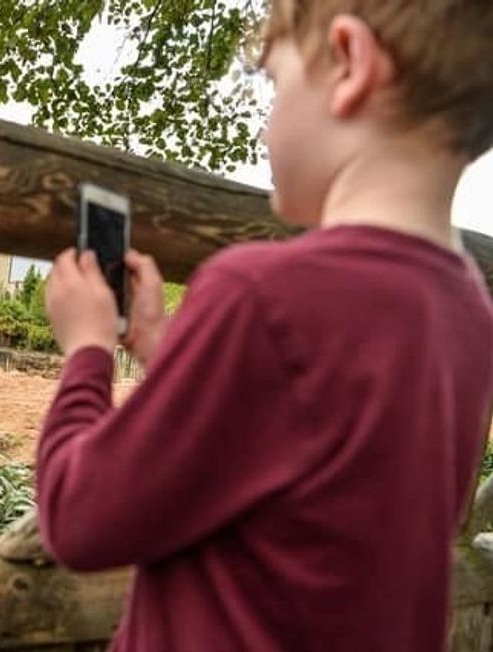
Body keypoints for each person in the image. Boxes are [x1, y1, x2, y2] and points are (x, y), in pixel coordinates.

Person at [37, 1, 493, 650]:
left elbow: (80, 520)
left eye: (274, 83)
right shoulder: (467, 310)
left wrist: (87, 350)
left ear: (349, 63)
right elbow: (309, 449)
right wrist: (165, 350)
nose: (264, 128)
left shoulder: (261, 292)